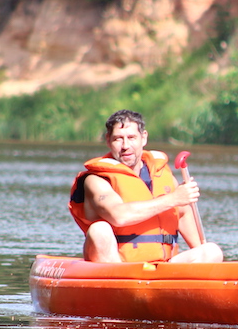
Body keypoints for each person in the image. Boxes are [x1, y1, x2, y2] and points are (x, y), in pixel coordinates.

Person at [69, 110, 223, 264]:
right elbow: (118, 216)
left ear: (143, 138)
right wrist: (174, 198)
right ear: (108, 141)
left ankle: (178, 284)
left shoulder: (161, 173)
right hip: (118, 268)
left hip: (162, 267)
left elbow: (182, 212)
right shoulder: (96, 180)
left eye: (131, 138)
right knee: (99, 230)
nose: (125, 146)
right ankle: (122, 285)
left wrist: (200, 249)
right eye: (118, 139)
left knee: (211, 251)